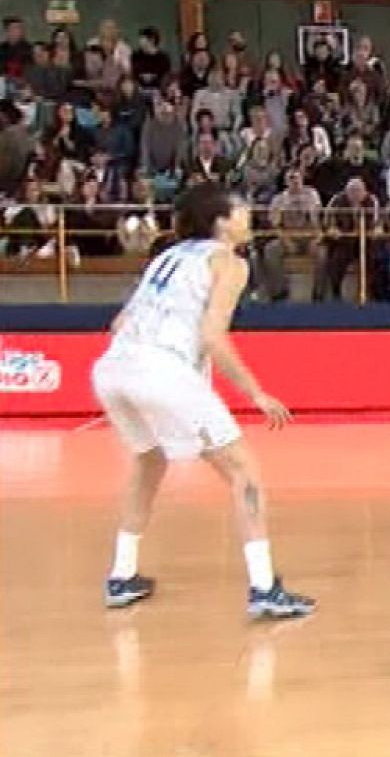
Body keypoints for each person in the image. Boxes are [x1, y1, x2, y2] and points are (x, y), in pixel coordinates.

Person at [92, 182, 314, 619]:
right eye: (241, 210)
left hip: (113, 366)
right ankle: (264, 587)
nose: (248, 216)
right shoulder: (228, 262)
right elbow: (213, 336)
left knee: (148, 461)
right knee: (243, 472)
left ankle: (122, 574)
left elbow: (119, 323)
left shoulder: (167, 257)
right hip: (162, 370)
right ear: (221, 222)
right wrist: (255, 393)